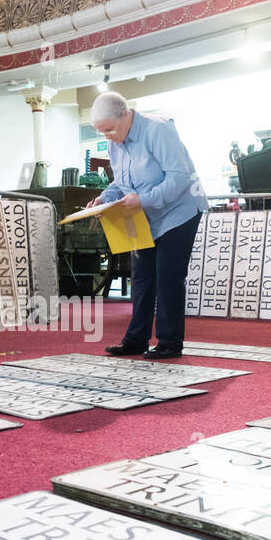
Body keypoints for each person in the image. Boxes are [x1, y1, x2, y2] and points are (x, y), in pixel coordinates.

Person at [90, 91, 208, 360]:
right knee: (142, 276)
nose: (107, 136)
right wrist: (104, 199)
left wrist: (143, 200)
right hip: (146, 214)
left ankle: (169, 342)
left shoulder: (158, 129)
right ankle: (136, 339)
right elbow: (120, 183)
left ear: (126, 114)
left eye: (110, 128)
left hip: (179, 210)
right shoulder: (114, 143)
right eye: (101, 132)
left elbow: (179, 178)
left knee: (168, 275)